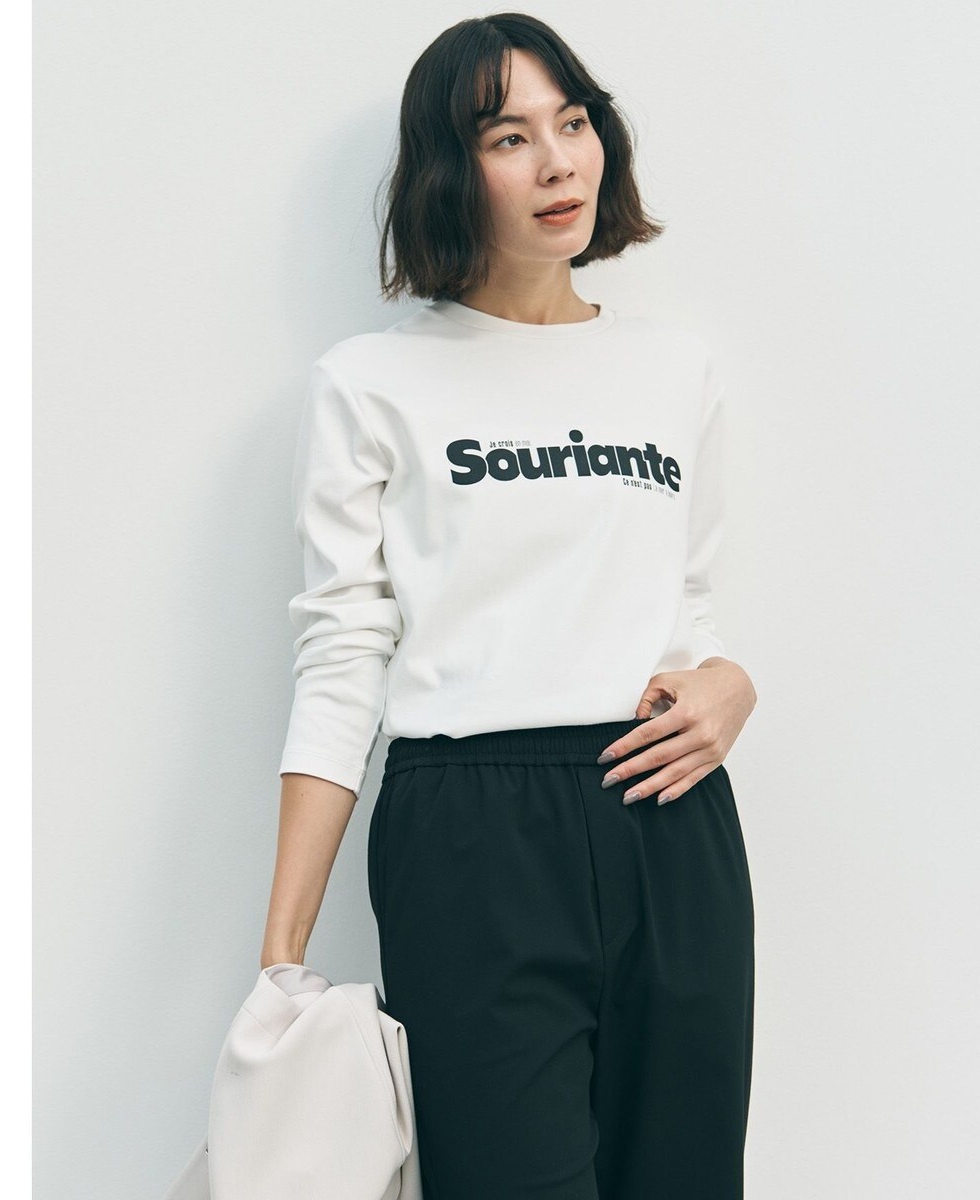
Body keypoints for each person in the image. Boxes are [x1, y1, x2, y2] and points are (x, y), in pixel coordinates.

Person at [260, 13, 758, 1200]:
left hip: (670, 816)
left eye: (572, 123)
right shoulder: (370, 383)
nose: (557, 162)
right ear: (451, 169)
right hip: (469, 834)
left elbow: (687, 602)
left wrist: (730, 683)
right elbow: (343, 654)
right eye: (508, 137)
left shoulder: (676, 368)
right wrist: (281, 954)